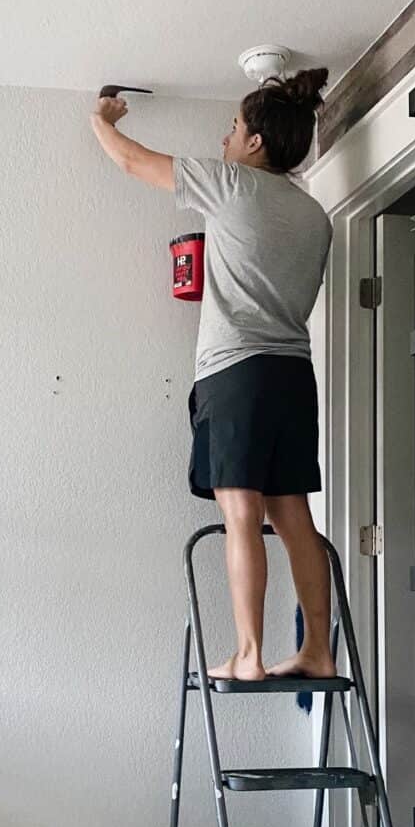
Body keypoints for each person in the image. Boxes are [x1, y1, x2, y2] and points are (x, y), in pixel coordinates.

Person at [90, 70, 334, 682]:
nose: (225, 138)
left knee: (241, 513)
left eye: (233, 128)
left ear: (255, 143)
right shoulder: (315, 215)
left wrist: (102, 120)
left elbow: (131, 162)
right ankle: (317, 649)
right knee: (293, 514)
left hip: (236, 374)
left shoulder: (233, 185)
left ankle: (248, 654)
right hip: (292, 374)